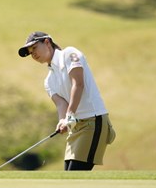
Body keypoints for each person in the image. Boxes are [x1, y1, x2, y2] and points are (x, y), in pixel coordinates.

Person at [18, 31, 115, 171]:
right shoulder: (49, 81)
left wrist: (69, 116)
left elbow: (78, 84)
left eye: (34, 48)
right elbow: (61, 104)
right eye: (30, 52)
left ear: (47, 42)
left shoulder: (69, 54)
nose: (33, 54)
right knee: (68, 177)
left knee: (75, 176)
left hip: (93, 122)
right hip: (75, 129)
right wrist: (62, 120)